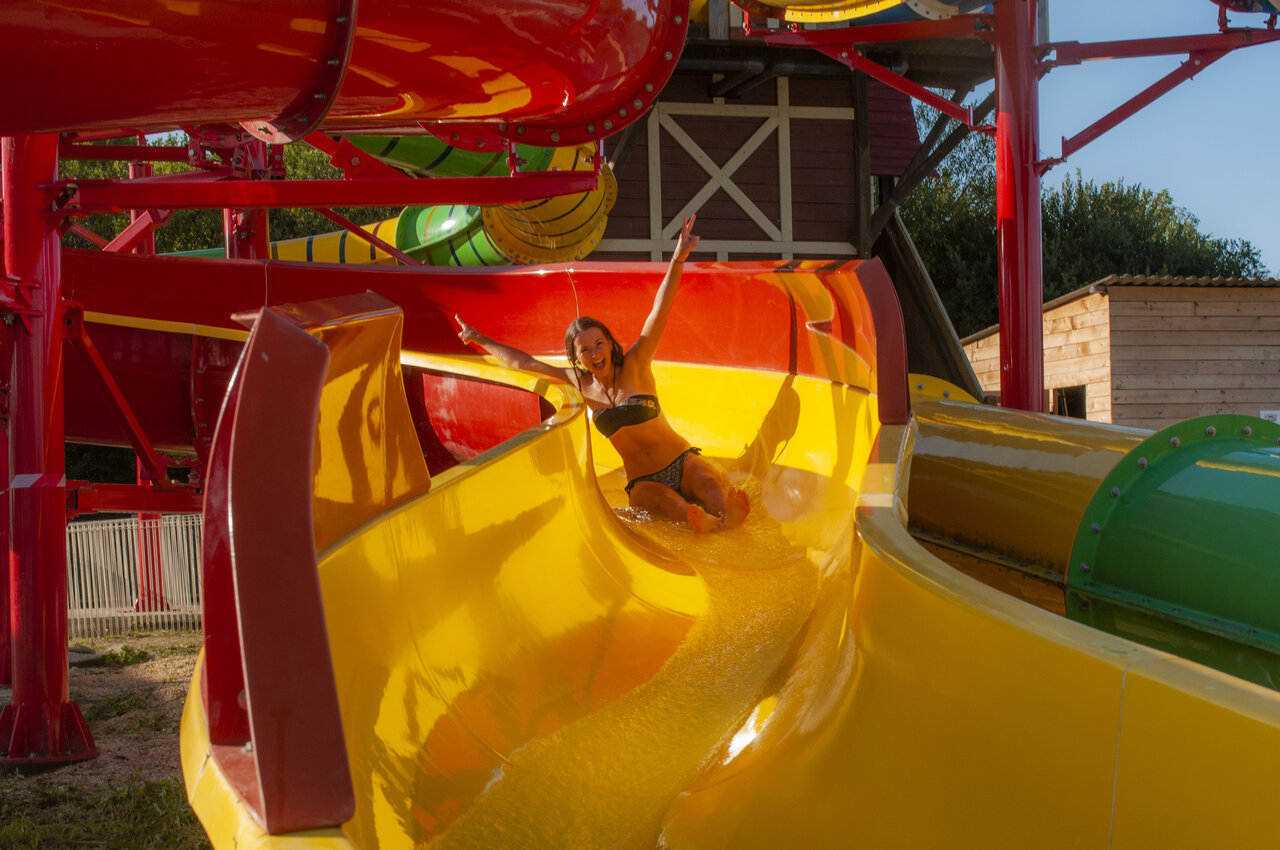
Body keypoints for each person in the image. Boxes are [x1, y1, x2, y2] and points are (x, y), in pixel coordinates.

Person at [454, 215, 749, 532]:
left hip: (681, 461)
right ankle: (699, 519)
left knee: (707, 481)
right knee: (670, 504)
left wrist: (677, 259)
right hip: (644, 480)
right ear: (577, 357)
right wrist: (479, 338)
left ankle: (722, 517)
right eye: (585, 350)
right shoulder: (579, 383)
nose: (595, 353)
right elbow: (522, 363)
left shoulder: (635, 364)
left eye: (599, 344)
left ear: (610, 344)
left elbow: (659, 312)